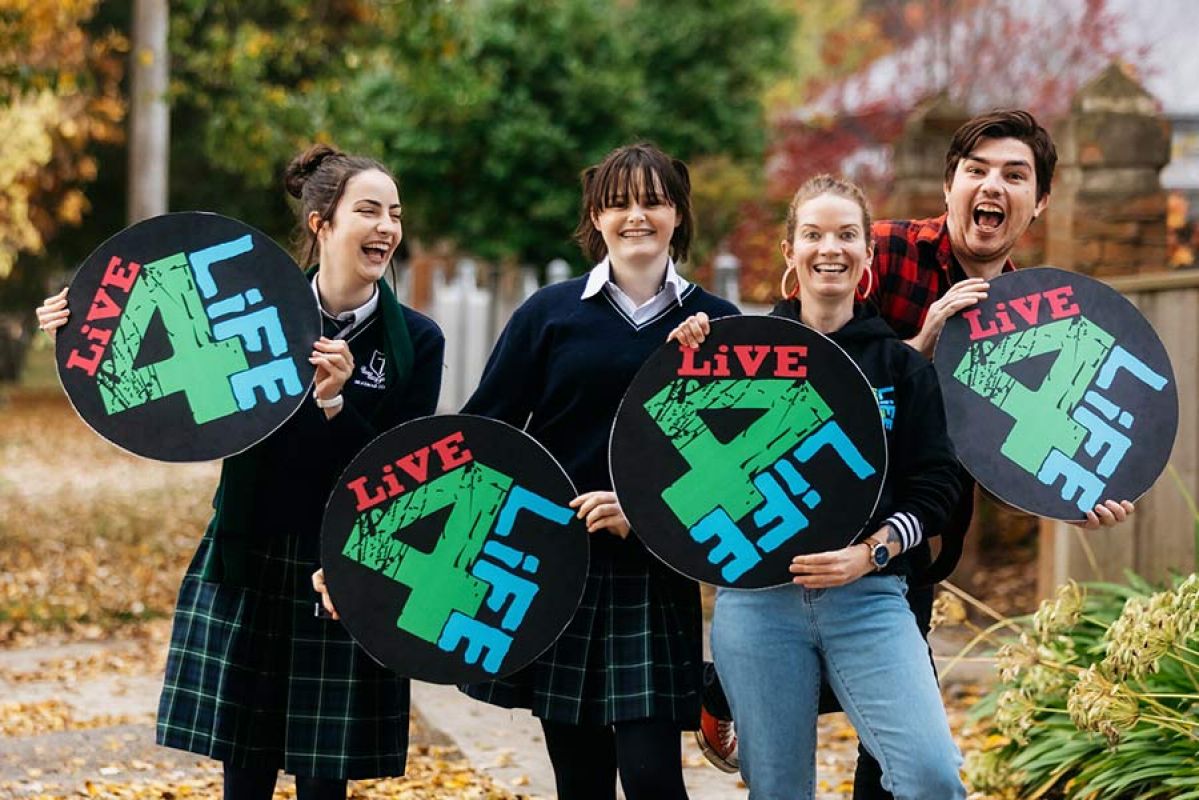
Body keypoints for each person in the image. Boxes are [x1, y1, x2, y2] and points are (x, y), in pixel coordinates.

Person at [678, 108, 1135, 798]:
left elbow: (970, 450)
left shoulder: (1025, 311)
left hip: (883, 567)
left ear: (1038, 202)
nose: (991, 187)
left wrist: (1062, 492)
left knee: (911, 769)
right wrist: (696, 340)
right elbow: (714, 416)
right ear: (949, 184)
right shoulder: (879, 254)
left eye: (1014, 176)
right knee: (779, 782)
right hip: (768, 571)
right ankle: (726, 689)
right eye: (976, 170)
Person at [37, 144, 445, 800]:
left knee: (323, 781)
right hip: (248, 553)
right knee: (245, 772)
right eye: (368, 210)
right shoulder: (255, 306)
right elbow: (147, 354)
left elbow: (402, 475)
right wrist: (76, 319)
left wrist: (337, 403)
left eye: (394, 214)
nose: (387, 228)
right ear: (322, 224)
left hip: (345, 564)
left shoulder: (417, 341)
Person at [456, 143, 739, 800]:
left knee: (651, 779)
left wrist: (642, 514)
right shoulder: (548, 315)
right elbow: (485, 432)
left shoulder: (718, 328)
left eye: (652, 201)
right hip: (559, 572)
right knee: (579, 781)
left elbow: (735, 478)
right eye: (617, 203)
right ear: (595, 215)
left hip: (655, 573)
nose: (634, 216)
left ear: (677, 213)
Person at [706, 174, 965, 799]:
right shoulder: (741, 356)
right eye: (814, 234)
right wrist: (687, 354)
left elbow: (938, 485)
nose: (831, 248)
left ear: (868, 257)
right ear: (790, 252)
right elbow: (673, 454)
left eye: (848, 235)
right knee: (780, 792)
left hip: (869, 598)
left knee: (932, 776)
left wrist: (871, 552)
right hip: (759, 599)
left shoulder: (899, 365)